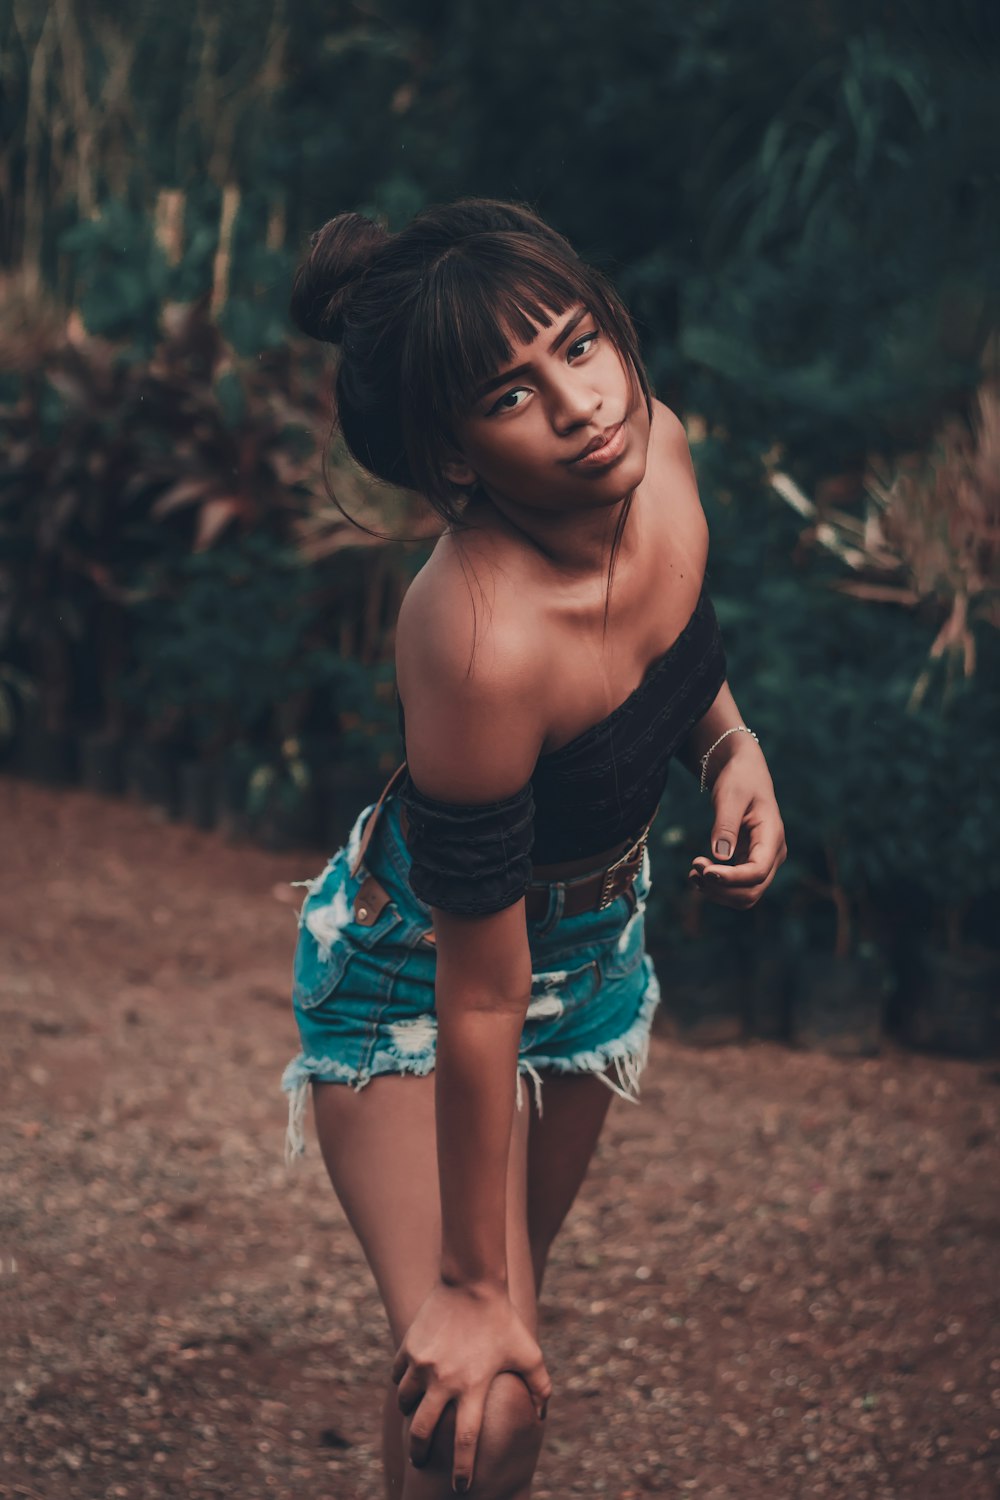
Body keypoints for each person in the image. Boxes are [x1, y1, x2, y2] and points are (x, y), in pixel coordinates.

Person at [281, 199, 786, 1499]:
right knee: (488, 1392)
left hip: (595, 943)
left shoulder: (657, 451)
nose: (582, 403)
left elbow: (677, 641)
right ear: (454, 460)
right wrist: (460, 1280)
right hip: (423, 974)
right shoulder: (474, 637)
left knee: (476, 1356)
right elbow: (481, 984)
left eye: (578, 344)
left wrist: (731, 747)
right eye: (513, 391)